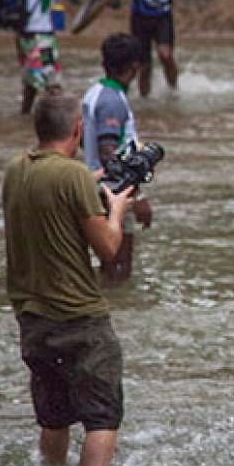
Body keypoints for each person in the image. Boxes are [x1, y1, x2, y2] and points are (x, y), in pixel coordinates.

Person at [3, 92, 133, 466]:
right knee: (102, 418)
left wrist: (95, 180)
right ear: (78, 129)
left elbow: (54, 190)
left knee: (54, 417)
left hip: (33, 318)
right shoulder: (73, 176)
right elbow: (108, 248)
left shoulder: (16, 169)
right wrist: (117, 210)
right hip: (79, 318)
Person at [82, 34, 152, 285]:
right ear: (135, 66)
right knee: (119, 267)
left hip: (96, 186)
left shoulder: (95, 93)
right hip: (113, 192)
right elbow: (108, 153)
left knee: (108, 264)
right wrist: (138, 197)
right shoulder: (112, 101)